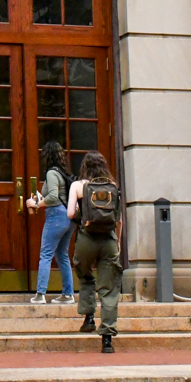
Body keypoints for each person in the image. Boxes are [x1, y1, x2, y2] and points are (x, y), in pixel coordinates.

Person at [67, 151, 123, 353]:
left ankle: (88, 316)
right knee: (109, 289)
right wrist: (117, 242)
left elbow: (70, 213)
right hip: (108, 240)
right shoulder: (112, 186)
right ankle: (107, 338)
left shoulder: (78, 186)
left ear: (84, 167)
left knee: (85, 274)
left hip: (86, 239)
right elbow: (119, 220)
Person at [25, 141, 75, 304]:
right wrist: (40, 197)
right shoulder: (63, 173)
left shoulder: (51, 174)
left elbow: (53, 197)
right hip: (68, 216)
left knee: (45, 254)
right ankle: (68, 294)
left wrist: (36, 204)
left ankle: (40, 294)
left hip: (56, 216)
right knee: (62, 255)